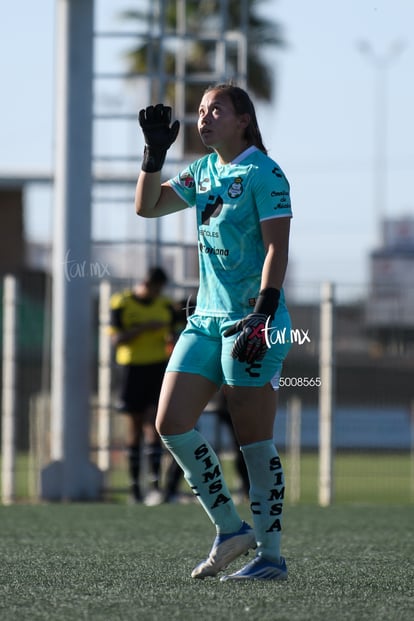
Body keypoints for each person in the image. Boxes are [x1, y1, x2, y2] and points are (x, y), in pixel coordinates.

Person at [135, 83, 292, 580]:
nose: (203, 118)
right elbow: (148, 207)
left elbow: (276, 249)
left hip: (252, 321)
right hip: (203, 321)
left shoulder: (265, 173)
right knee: (171, 423)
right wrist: (152, 155)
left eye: (215, 109)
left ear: (243, 119)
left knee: (253, 441)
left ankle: (271, 557)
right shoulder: (203, 171)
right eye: (200, 111)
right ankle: (230, 528)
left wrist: (263, 312)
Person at [109, 267, 175, 506]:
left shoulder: (166, 305)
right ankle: (135, 488)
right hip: (131, 369)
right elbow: (116, 339)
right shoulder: (122, 302)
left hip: (158, 368)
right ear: (146, 283)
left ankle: (155, 485)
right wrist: (145, 328)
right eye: (154, 288)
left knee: (155, 425)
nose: (157, 293)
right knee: (134, 426)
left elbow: (177, 333)